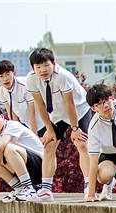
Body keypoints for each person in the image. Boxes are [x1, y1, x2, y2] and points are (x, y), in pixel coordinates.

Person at [26, 47, 92, 202]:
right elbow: (40, 105)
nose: (43, 70)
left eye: (46, 65)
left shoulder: (62, 76)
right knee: (49, 144)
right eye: (38, 67)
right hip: (56, 114)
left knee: (82, 144)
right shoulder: (31, 79)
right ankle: (46, 190)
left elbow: (70, 104)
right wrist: (49, 129)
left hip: (79, 109)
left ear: (53, 63)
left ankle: (89, 186)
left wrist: (74, 129)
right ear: (33, 68)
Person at [0, 60, 41, 133]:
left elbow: (32, 111)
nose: (5, 79)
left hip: (41, 123)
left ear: (14, 73)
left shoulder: (25, 84)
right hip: (25, 125)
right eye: (1, 76)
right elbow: (11, 112)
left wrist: (34, 134)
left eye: (8, 74)